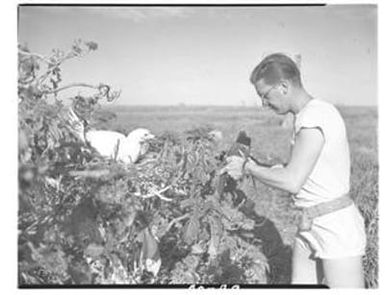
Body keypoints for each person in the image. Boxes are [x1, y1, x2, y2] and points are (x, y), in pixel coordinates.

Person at [221, 53, 366, 288]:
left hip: (335, 226)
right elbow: (301, 170)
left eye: (265, 95)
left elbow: (292, 181)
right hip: (309, 222)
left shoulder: (314, 117)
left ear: (284, 86)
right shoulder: (308, 115)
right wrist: (255, 165)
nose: (264, 104)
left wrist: (247, 167)